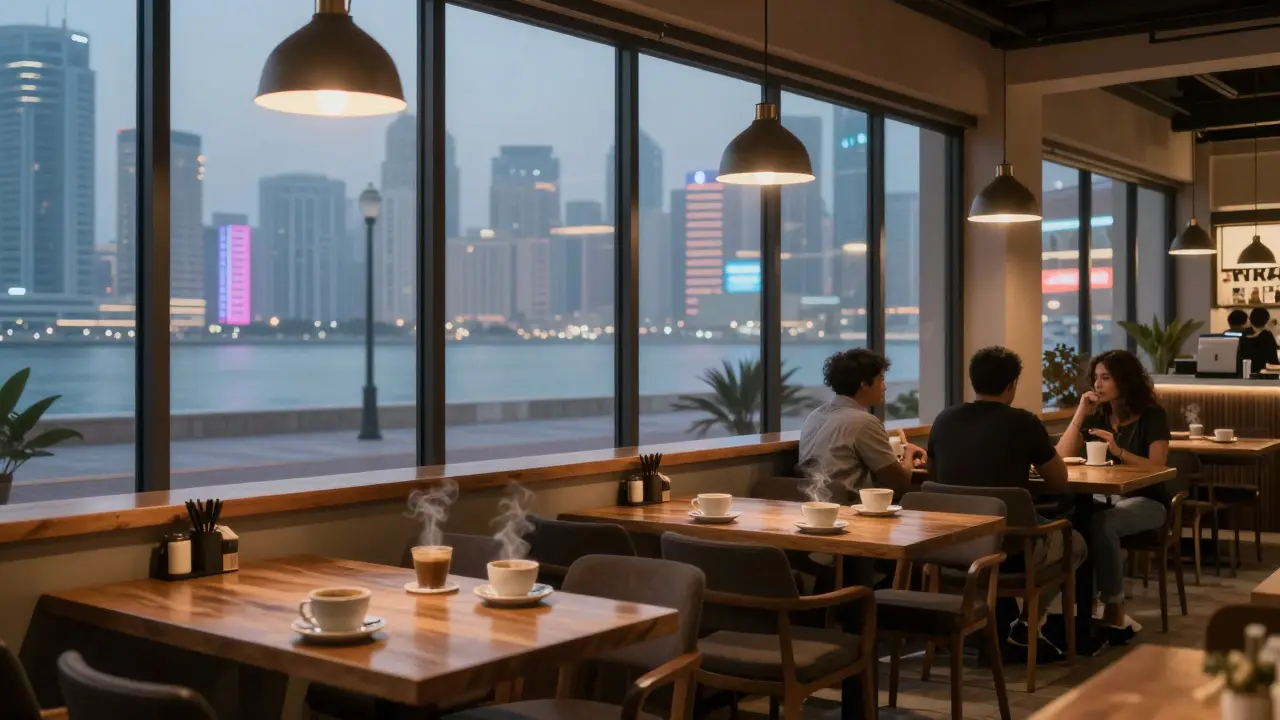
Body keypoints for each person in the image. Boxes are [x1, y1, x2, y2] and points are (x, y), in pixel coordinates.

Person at [928, 346, 1080, 657]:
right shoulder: (1023, 422)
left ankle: (992, 624)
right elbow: (1059, 481)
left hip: (950, 546)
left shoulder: (944, 420)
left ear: (973, 382)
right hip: (1009, 549)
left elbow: (934, 477)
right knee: (1076, 541)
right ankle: (1027, 623)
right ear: (1012, 385)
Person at [1056, 349, 1171, 637]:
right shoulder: (1100, 414)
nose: (1098, 385)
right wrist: (1082, 412)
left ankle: (1113, 608)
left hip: (1149, 500)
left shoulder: (1152, 415)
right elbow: (1061, 456)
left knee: (1102, 523)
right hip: (1107, 497)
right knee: (1078, 522)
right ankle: (1085, 607)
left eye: (1106, 377)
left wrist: (1117, 450)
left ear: (1125, 380)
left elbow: (1157, 467)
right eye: (1095, 378)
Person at [797, 348, 926, 494]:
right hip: (848, 508)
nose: (884, 387)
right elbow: (900, 483)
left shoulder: (815, 416)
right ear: (864, 384)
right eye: (881, 379)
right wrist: (909, 453)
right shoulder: (865, 423)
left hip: (811, 503)